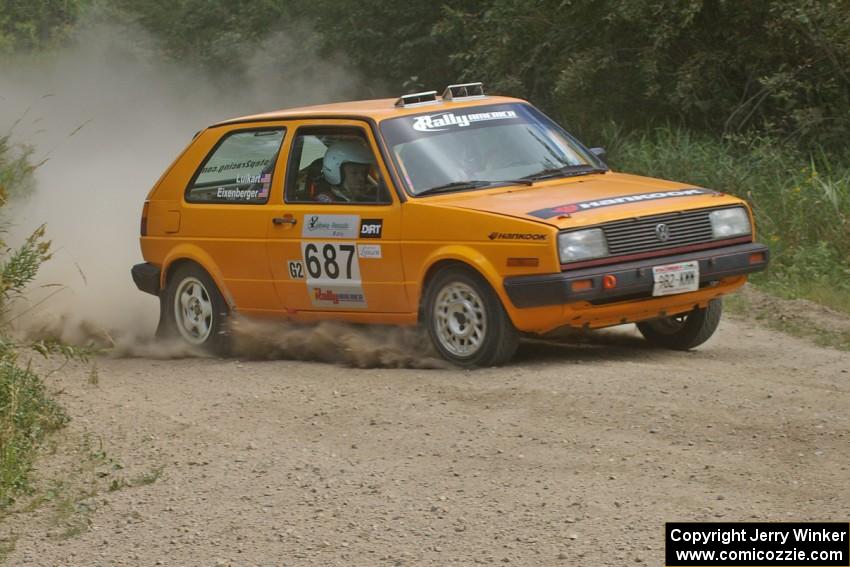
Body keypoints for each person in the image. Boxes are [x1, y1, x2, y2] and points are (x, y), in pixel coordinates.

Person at [312, 138, 379, 203]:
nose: (361, 179)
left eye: (364, 172)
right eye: (354, 173)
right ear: (335, 173)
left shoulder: (363, 197)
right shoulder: (328, 203)